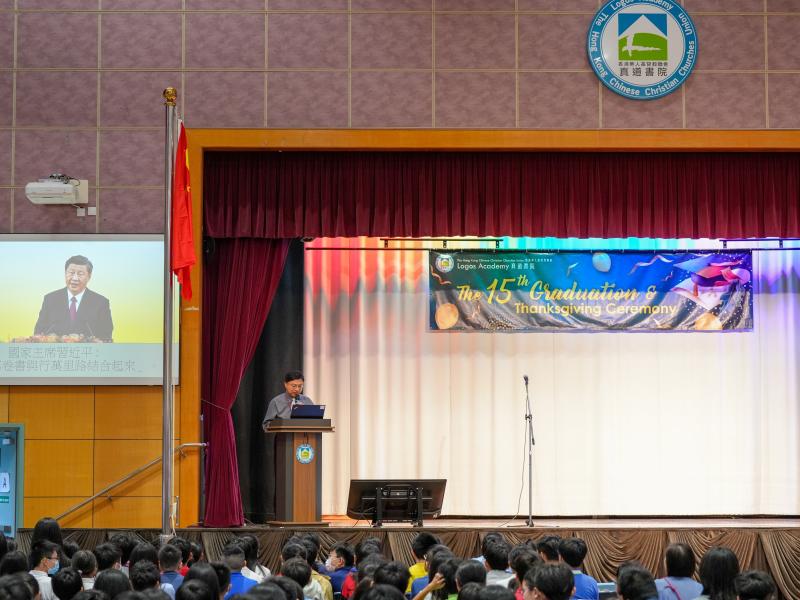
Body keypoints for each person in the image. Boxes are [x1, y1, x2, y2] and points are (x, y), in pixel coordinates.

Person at [34, 256, 113, 342]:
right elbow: (38, 332)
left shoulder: (101, 303)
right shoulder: (50, 299)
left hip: (88, 353)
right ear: (65, 273)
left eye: (80, 274)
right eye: (71, 273)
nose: (74, 278)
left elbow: (106, 337)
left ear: (89, 276)